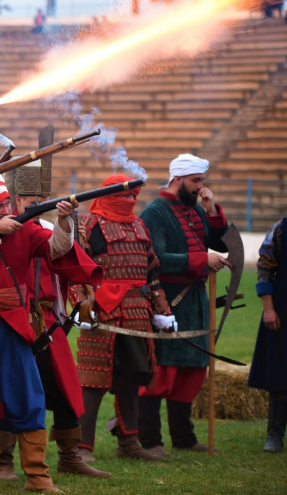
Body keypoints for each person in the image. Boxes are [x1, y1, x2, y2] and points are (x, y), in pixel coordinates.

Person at [0, 162, 100, 493]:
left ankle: (38, 477)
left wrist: (64, 219)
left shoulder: (24, 228)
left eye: (5, 204)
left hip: (15, 328)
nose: (7, 209)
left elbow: (57, 249)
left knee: (29, 399)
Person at [71, 175, 176, 464]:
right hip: (102, 309)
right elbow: (75, 268)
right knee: (92, 381)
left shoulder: (140, 225)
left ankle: (129, 441)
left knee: (132, 375)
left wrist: (164, 312)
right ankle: (81, 447)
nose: (131, 201)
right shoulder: (89, 224)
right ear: (108, 195)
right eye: (125, 196)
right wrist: (82, 308)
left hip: (137, 311)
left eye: (134, 196)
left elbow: (151, 274)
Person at [138, 153, 230, 455]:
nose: (200, 187)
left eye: (201, 180)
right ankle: (150, 440)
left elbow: (220, 244)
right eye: (195, 181)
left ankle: (184, 438)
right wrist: (201, 259)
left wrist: (212, 209)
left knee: (190, 372)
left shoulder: (197, 208)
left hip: (195, 302)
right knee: (161, 373)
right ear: (177, 180)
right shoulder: (156, 212)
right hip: (167, 302)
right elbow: (157, 260)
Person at [247, 177, 287, 453]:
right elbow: (265, 267)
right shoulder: (284, 229)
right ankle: (275, 435)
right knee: (282, 369)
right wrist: (269, 308)